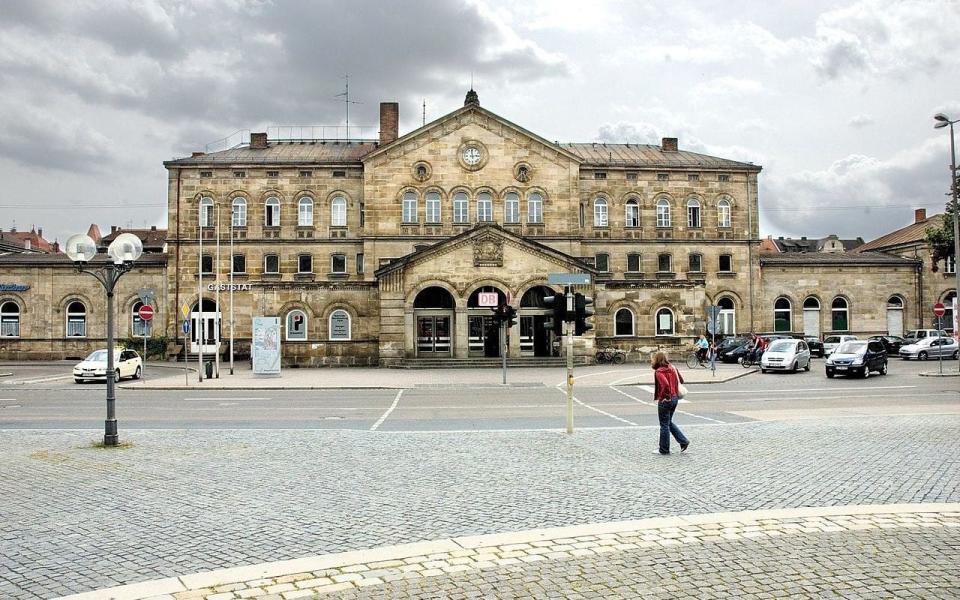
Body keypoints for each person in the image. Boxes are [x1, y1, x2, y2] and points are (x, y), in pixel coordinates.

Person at [652, 351, 689, 455]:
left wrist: (665, 397)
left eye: (653, 359)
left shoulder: (659, 371)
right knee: (668, 422)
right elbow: (681, 380)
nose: (652, 360)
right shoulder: (672, 367)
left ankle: (664, 449)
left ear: (657, 360)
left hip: (666, 400)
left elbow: (665, 385)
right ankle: (683, 441)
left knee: (664, 424)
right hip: (675, 398)